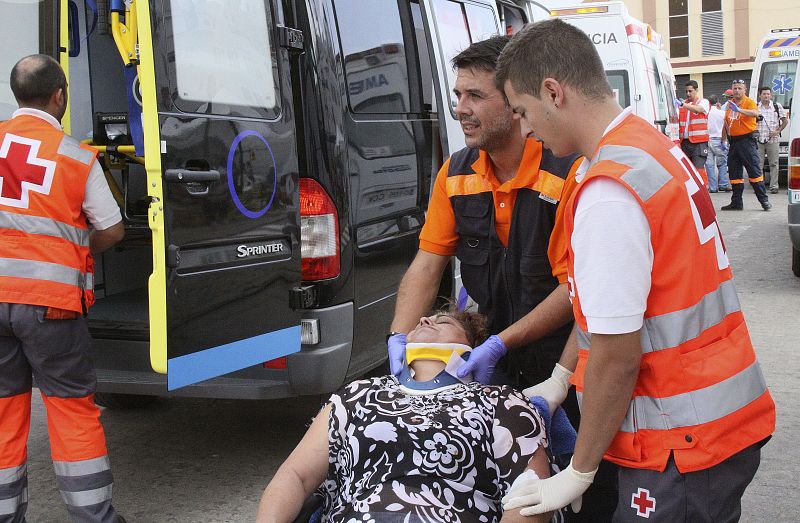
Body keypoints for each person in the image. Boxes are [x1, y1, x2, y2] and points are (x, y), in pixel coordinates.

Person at [496, 19, 776, 521]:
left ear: (552, 92)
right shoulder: (643, 144)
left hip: (679, 440)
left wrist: (577, 472)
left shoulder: (608, 190)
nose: (524, 128)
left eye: (522, 111)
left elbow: (616, 354)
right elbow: (601, 303)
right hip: (715, 419)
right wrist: (562, 376)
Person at [388, 35, 581, 413]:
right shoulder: (455, 173)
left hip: (564, 364)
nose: (460, 109)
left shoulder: (566, 171)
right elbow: (428, 264)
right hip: (493, 364)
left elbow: (575, 289)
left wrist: (501, 343)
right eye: (457, 95)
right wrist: (398, 338)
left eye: (475, 96)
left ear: (515, 102)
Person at [257, 309, 556, 523]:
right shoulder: (358, 394)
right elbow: (294, 476)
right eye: (423, 320)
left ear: (470, 347)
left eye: (443, 321)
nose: (426, 319)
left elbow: (530, 495)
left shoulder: (499, 401)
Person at [0, 55, 125, 522]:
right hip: (50, 307)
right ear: (58, 96)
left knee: (4, 413)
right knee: (71, 411)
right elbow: (111, 230)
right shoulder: (74, 155)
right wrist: (73, 244)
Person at [720, 79, 772, 211]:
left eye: (739, 88)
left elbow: (755, 113)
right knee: (734, 173)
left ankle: (764, 201)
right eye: (735, 88)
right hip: (734, 142)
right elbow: (726, 123)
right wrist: (723, 140)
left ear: (745, 90)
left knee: (754, 171)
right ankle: (736, 202)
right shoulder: (729, 104)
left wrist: (740, 110)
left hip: (747, 141)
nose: (737, 90)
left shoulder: (749, 102)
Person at [756, 86, 789, 194]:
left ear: (771, 95)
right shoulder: (755, 107)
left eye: (768, 94)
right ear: (760, 95)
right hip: (759, 140)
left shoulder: (776, 106)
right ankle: (759, 186)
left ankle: (774, 186)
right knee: (758, 164)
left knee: (774, 163)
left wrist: (777, 131)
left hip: (773, 140)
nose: (766, 96)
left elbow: (785, 121)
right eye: (764, 94)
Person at [677, 80, 710, 183]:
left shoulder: (703, 102)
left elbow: (698, 110)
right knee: (686, 172)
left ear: (696, 90)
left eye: (690, 91)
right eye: (686, 91)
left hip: (699, 143)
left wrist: (683, 104)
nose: (688, 94)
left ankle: (703, 191)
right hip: (685, 142)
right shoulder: (684, 104)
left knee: (698, 169)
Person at [704, 95, 731, 193]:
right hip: (720, 139)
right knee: (722, 163)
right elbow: (726, 127)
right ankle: (723, 184)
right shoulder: (722, 113)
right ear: (718, 102)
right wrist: (725, 141)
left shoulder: (706, 113)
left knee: (709, 165)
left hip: (707, 140)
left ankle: (712, 187)